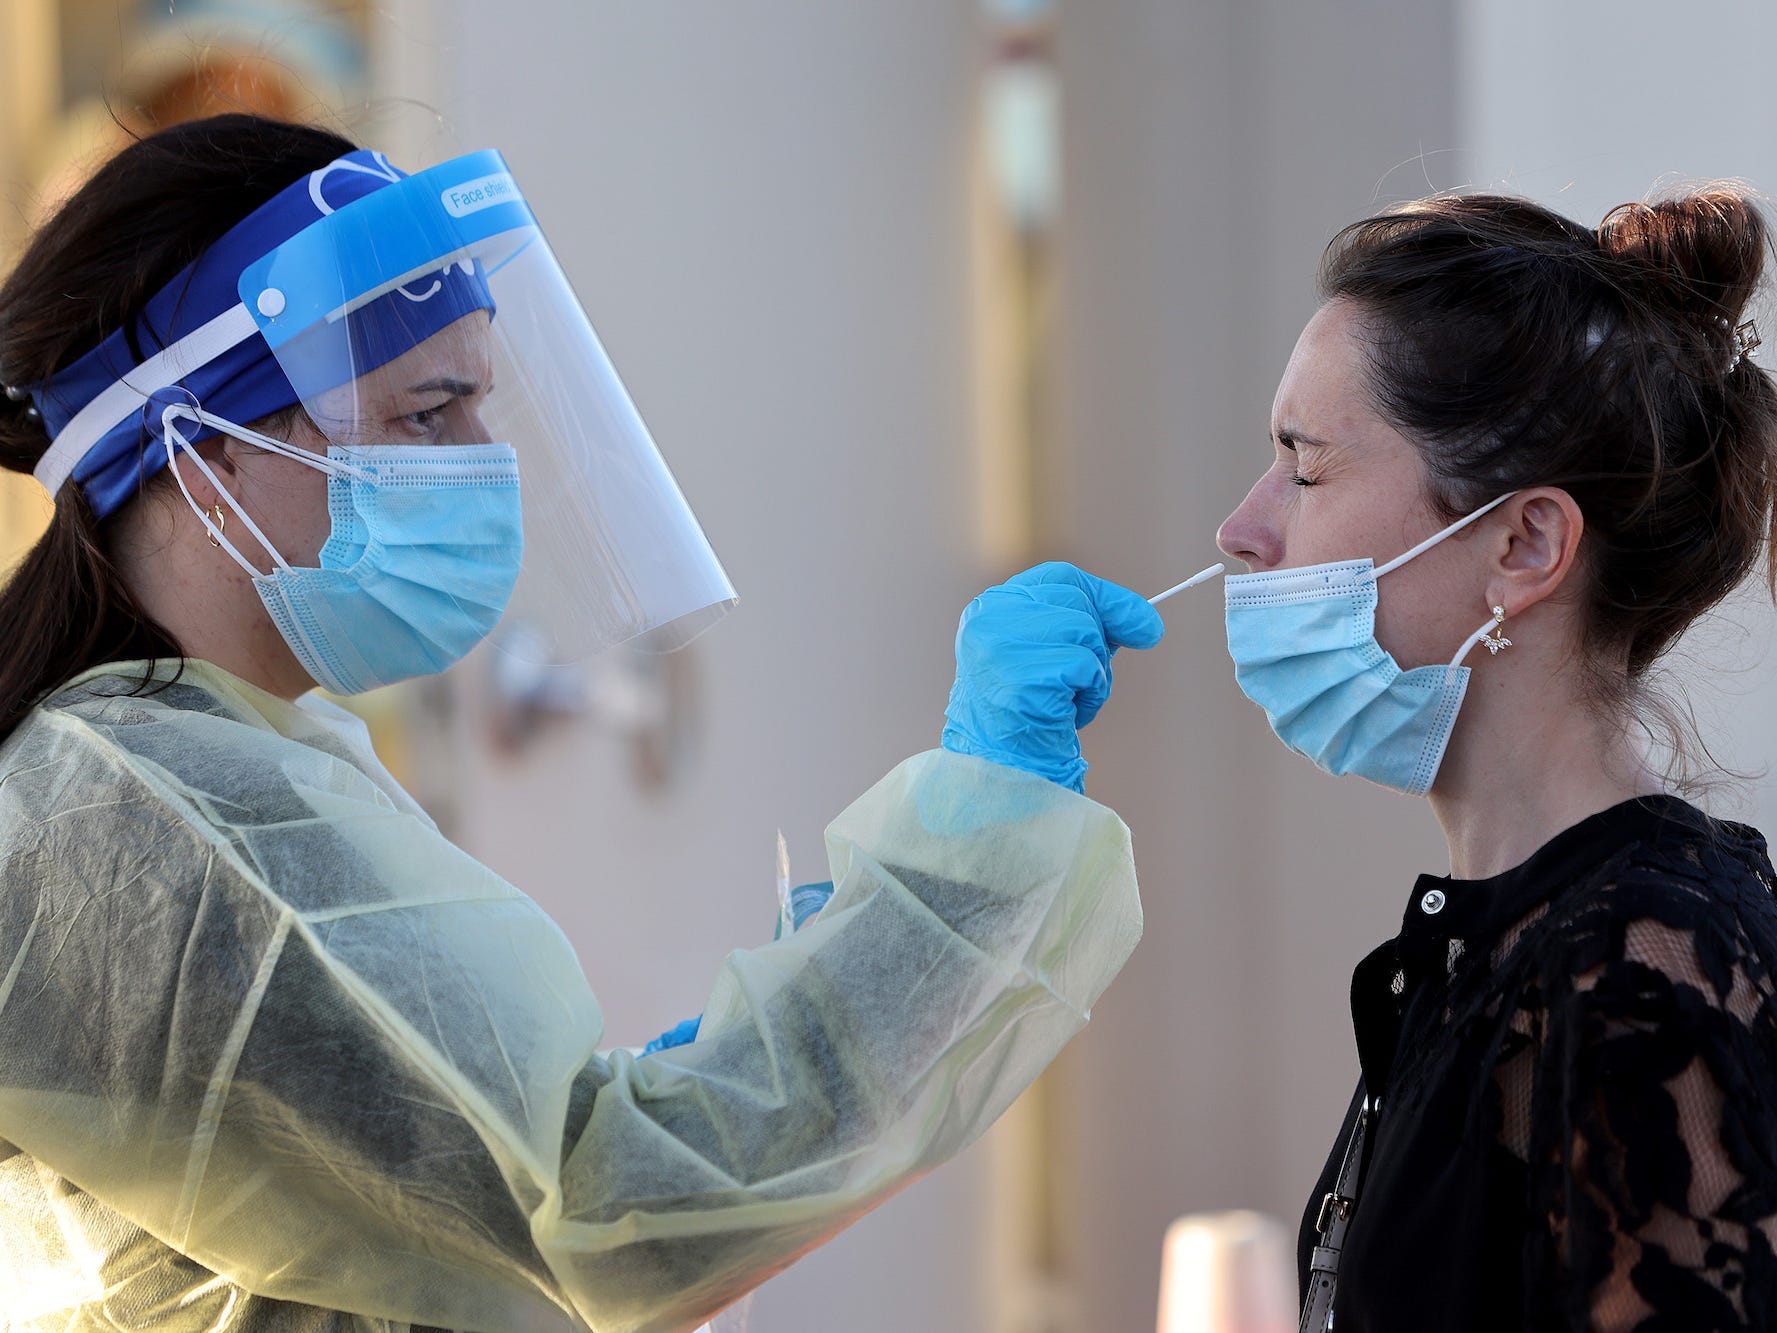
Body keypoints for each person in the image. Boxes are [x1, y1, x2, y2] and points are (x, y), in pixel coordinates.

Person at [0, 115, 1164, 1332]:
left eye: (479, 409)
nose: (481, 462)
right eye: (423, 414)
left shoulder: (205, 759)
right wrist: (959, 873)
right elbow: (607, 1217)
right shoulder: (149, 821)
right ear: (197, 451)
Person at [1215, 188, 1777, 1331]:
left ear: (1524, 544)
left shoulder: (1645, 972)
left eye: (1305, 469)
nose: (1242, 527)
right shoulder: (1503, 943)